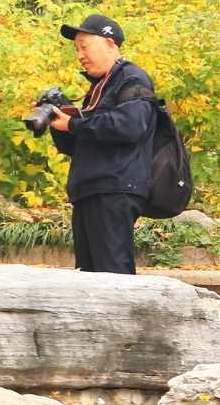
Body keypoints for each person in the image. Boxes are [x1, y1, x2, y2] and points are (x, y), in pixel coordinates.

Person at [48, 15, 156, 275]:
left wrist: (74, 124)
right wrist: (58, 120)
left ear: (109, 44)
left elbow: (129, 125)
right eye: (76, 50)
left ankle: (127, 317)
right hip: (90, 189)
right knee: (91, 277)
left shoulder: (132, 78)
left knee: (113, 275)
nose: (80, 55)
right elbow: (77, 146)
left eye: (84, 46)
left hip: (115, 187)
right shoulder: (99, 87)